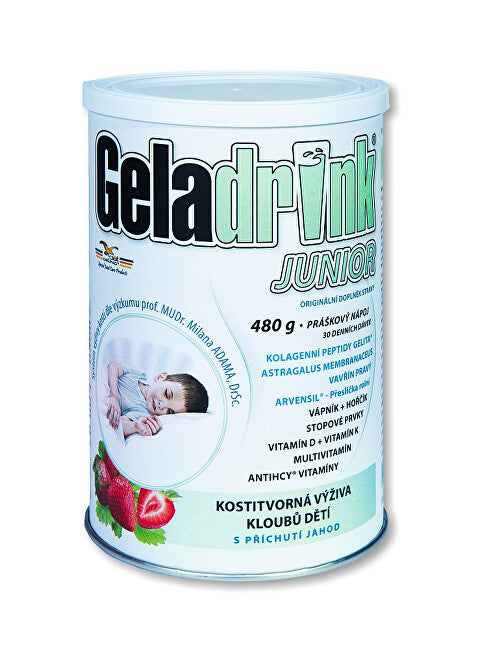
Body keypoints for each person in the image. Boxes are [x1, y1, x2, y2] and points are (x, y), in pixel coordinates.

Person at [105, 362, 208, 438]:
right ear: (160, 377)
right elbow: (114, 366)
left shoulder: (143, 413)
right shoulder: (139, 375)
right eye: (167, 394)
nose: (162, 405)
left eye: (169, 411)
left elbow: (119, 424)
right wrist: (114, 396)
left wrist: (135, 426)